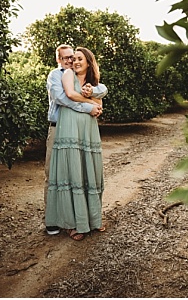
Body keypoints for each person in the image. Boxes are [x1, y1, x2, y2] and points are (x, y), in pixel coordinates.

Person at [45, 46, 106, 241]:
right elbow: (67, 96)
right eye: (70, 58)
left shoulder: (92, 83)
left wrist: (95, 95)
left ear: (88, 62)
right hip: (66, 127)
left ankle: (93, 219)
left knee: (89, 171)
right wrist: (90, 104)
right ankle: (68, 222)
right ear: (59, 59)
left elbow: (100, 100)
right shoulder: (62, 74)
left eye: (78, 58)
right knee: (68, 174)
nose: (73, 61)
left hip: (87, 129)